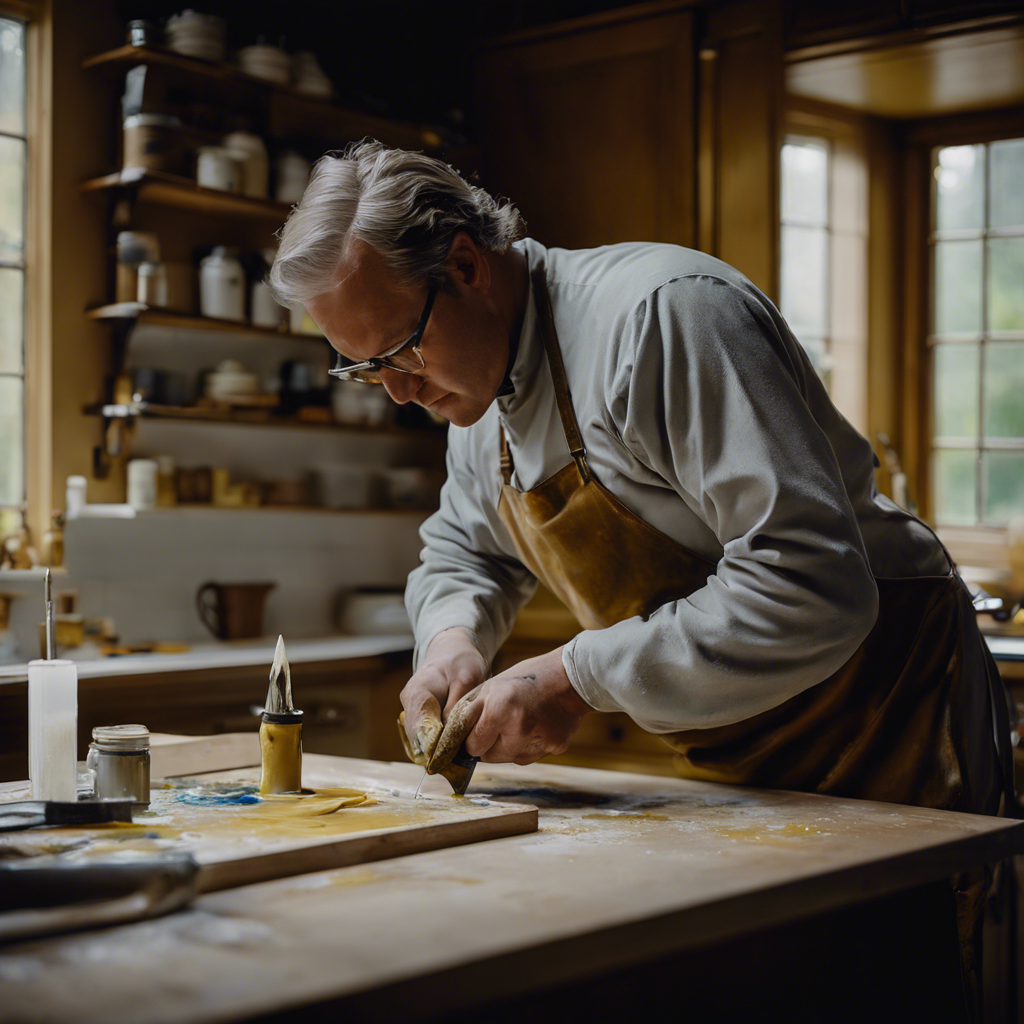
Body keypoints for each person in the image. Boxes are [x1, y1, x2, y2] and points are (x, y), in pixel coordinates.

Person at [268, 140, 1015, 822]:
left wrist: (575, 675)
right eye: (368, 369)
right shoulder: (475, 403)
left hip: (890, 713)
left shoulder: (664, 317)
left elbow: (812, 583)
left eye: (400, 351)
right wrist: (448, 643)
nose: (398, 393)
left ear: (465, 266)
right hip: (737, 754)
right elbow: (468, 555)